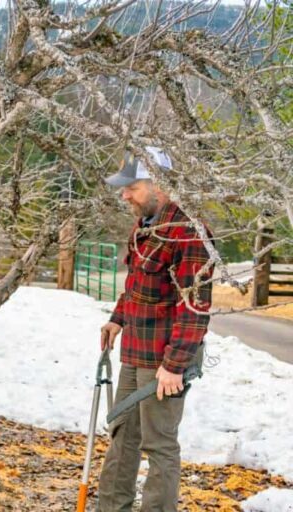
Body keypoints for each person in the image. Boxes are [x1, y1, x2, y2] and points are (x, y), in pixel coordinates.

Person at [97, 147, 213, 512]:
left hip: (165, 359)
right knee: (122, 437)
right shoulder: (146, 226)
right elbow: (135, 284)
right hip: (134, 349)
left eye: (131, 187)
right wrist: (118, 317)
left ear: (158, 184)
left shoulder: (189, 233)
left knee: (159, 444)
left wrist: (175, 365)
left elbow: (195, 308)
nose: (124, 194)